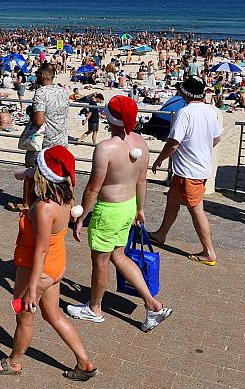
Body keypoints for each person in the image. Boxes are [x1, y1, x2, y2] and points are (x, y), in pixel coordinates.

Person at [0, 146, 97, 382]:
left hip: (39, 270)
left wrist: (32, 290)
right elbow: (20, 175)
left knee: (24, 317)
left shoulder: (45, 209)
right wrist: (29, 175)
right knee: (53, 315)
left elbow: (40, 250)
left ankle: (14, 362)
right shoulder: (66, 194)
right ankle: (84, 362)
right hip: (56, 266)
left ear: (44, 174)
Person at [68, 96, 172, 330]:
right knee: (119, 256)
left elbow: (93, 188)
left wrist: (81, 218)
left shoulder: (106, 148)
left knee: (101, 262)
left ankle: (94, 309)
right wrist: (140, 209)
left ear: (109, 118)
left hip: (109, 211)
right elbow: (142, 181)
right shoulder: (141, 143)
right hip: (128, 206)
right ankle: (153, 305)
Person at [150, 76, 223, 265]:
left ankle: (209, 252)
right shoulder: (209, 111)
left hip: (189, 171)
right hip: (195, 168)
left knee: (196, 209)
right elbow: (217, 138)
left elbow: (173, 143)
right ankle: (161, 234)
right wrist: (200, 147)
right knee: (172, 199)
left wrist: (159, 159)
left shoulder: (185, 112)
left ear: (185, 93)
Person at [9, 63, 69, 212]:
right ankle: (57, 200)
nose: (35, 76)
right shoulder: (63, 91)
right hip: (60, 138)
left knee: (30, 167)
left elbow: (39, 121)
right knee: (56, 170)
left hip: (45, 140)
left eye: (37, 74)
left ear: (42, 76)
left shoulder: (41, 93)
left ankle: (26, 203)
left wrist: (31, 114)